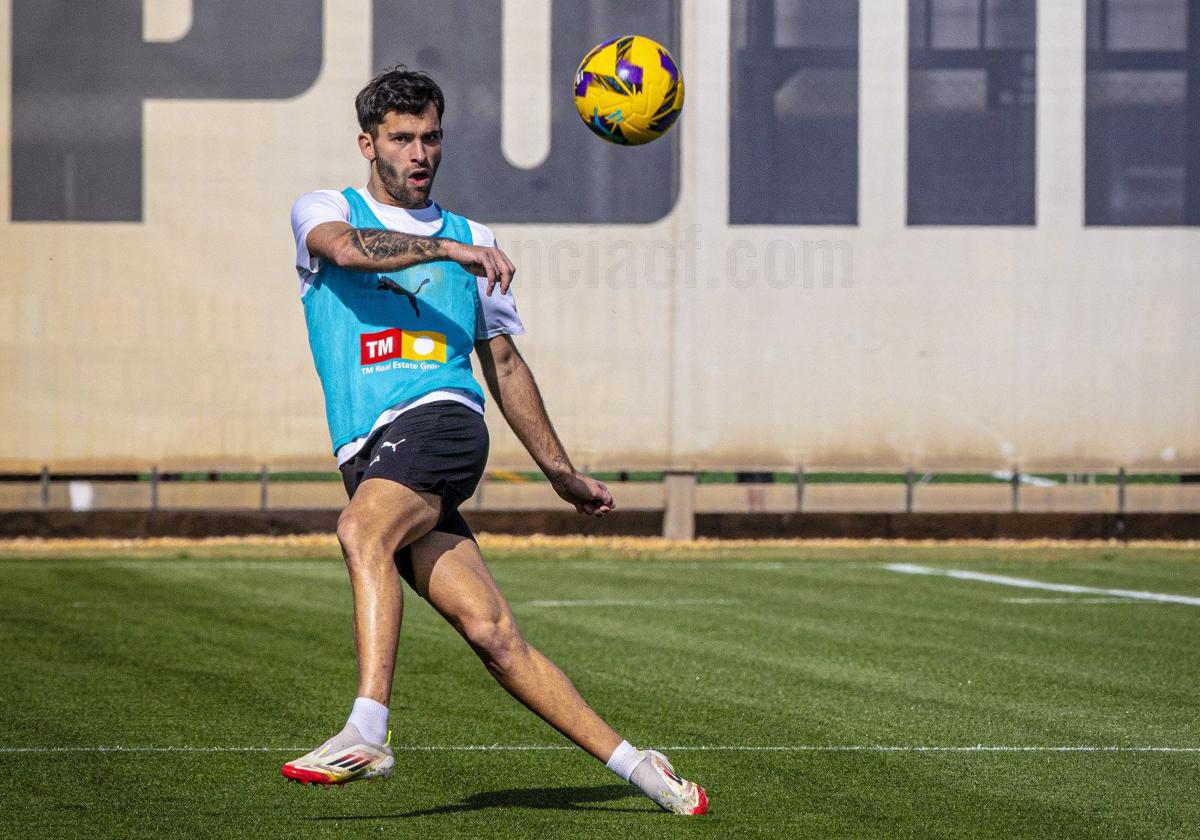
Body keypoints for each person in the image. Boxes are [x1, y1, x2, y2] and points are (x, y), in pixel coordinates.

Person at [282, 66, 707, 816]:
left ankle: (368, 728)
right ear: (367, 144)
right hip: (371, 452)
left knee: (361, 531)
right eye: (402, 138)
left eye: (431, 137)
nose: (420, 152)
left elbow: (504, 365)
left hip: (440, 420)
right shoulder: (325, 210)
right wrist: (446, 254)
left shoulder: (475, 237)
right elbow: (347, 250)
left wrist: (560, 471)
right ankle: (645, 769)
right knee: (494, 635)